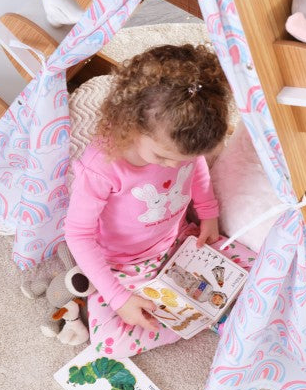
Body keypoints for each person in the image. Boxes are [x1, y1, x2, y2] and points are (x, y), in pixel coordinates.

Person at [64, 44, 255, 356]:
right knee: (112, 342)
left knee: (253, 269)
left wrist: (208, 214)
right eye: (163, 157)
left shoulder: (182, 149)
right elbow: (78, 234)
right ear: (132, 124)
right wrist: (118, 298)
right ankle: (211, 317)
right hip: (123, 262)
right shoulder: (100, 167)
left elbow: (197, 170)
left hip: (180, 238)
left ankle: (208, 314)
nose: (173, 165)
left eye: (183, 159)